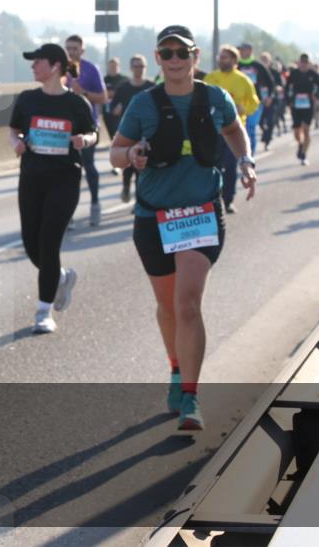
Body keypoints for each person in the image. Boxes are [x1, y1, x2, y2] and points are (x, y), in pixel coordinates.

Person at [110, 25, 256, 431]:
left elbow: (233, 129)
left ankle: (190, 395)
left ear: (195, 57)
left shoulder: (215, 97)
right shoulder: (144, 104)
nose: (175, 60)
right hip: (153, 217)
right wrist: (133, 153)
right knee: (168, 306)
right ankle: (176, 369)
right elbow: (115, 154)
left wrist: (245, 161)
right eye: (167, 53)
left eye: (182, 53)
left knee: (188, 303)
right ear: (157, 59)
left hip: (200, 213)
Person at [8, 44, 98, 333]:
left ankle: (44, 312)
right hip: (32, 177)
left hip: (64, 179)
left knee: (49, 242)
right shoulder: (27, 99)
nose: (33, 66)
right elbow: (13, 130)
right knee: (30, 242)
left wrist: (84, 139)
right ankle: (59, 277)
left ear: (56, 66)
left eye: (38, 62)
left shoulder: (76, 104)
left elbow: (94, 132)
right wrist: (17, 143)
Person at [204, 45, 259, 213]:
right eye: (220, 57)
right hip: (213, 131)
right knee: (213, 167)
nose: (222, 60)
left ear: (235, 61)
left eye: (226, 57)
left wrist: (244, 109)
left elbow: (254, 102)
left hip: (234, 131)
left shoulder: (243, 80)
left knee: (230, 166)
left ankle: (227, 200)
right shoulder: (210, 78)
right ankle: (213, 200)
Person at [64, 35, 107, 226]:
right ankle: (68, 212)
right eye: (68, 48)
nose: (71, 52)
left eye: (75, 48)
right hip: (65, 128)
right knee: (67, 170)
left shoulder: (90, 69)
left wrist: (84, 93)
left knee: (88, 166)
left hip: (88, 126)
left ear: (82, 50)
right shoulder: (60, 69)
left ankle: (95, 204)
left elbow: (103, 98)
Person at [110, 54, 155, 202]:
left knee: (141, 166)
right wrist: (116, 109)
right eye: (136, 66)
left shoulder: (151, 87)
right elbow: (112, 108)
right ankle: (125, 187)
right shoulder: (123, 88)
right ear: (130, 68)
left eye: (141, 66)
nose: (139, 69)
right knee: (128, 164)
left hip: (146, 133)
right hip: (128, 132)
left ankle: (139, 200)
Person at [285, 54, 319, 165]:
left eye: (306, 62)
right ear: (299, 62)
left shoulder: (313, 74)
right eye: (302, 61)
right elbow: (287, 88)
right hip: (296, 105)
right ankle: (300, 144)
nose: (304, 64)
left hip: (308, 105)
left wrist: (316, 96)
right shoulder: (294, 73)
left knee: (306, 129)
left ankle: (304, 155)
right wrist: (289, 102)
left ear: (308, 63)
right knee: (297, 132)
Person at [237, 43, 272, 154]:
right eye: (240, 50)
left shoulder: (258, 66)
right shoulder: (236, 65)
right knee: (240, 129)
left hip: (255, 102)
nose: (241, 52)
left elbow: (270, 82)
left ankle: (250, 155)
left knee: (250, 128)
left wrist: (268, 97)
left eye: (243, 50)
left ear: (250, 50)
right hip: (239, 103)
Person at [102, 57, 128, 156]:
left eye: (115, 66)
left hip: (121, 112)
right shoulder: (104, 80)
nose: (113, 68)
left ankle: (119, 158)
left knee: (118, 135)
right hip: (107, 112)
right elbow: (102, 94)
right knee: (112, 135)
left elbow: (125, 95)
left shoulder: (124, 80)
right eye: (111, 66)